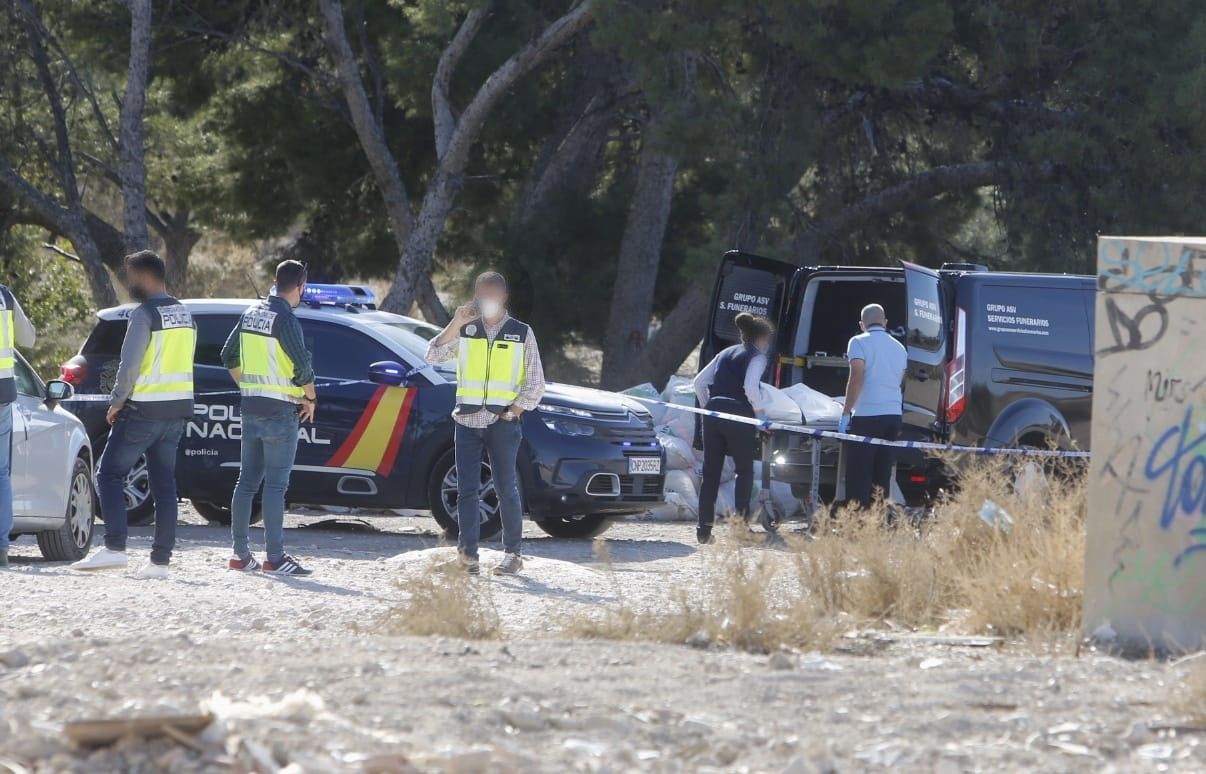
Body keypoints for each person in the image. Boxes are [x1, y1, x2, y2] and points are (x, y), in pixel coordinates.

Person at [73, 251, 196, 577]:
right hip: (176, 412)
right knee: (164, 485)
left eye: (131, 277)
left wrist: (116, 402)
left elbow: (130, 365)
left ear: (145, 276)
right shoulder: (185, 314)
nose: (129, 284)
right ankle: (159, 562)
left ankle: (114, 547)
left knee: (108, 474)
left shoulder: (144, 315)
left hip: (143, 410)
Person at [425, 271, 545, 576]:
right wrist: (456, 323)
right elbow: (433, 355)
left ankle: (512, 554)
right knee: (466, 491)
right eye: (481, 295)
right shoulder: (467, 330)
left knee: (507, 488)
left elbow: (535, 383)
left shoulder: (521, 332)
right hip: (466, 420)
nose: (486, 301)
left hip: (502, 422)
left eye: (492, 295)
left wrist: (513, 411)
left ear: (504, 297)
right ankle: (468, 558)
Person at [220, 259, 317, 576]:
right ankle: (275, 558)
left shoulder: (252, 312)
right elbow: (302, 367)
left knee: (246, 482)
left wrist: (248, 386)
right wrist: (310, 398)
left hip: (251, 408)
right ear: (300, 286)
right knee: (275, 486)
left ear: (276, 281)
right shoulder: (286, 320)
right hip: (280, 412)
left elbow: (227, 354)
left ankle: (240, 554)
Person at [692, 312, 774, 544]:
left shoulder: (724, 353)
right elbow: (751, 387)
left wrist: (710, 406)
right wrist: (761, 418)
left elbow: (699, 382)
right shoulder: (757, 357)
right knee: (744, 471)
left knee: (711, 473)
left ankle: (704, 530)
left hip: (713, 414)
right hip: (739, 415)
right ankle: (740, 529)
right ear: (761, 339)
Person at [839, 303, 907, 510]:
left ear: (862, 324)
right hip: (893, 416)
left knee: (859, 473)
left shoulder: (858, 342)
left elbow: (856, 378)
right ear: (885, 322)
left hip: (867, 415)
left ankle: (858, 523)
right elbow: (900, 382)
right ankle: (878, 522)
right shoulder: (900, 347)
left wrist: (845, 412)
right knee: (882, 474)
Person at [0, 286, 35, 568]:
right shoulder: (5, 296)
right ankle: (1, 551)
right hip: (3, 394)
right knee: (0, 474)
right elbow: (29, 338)